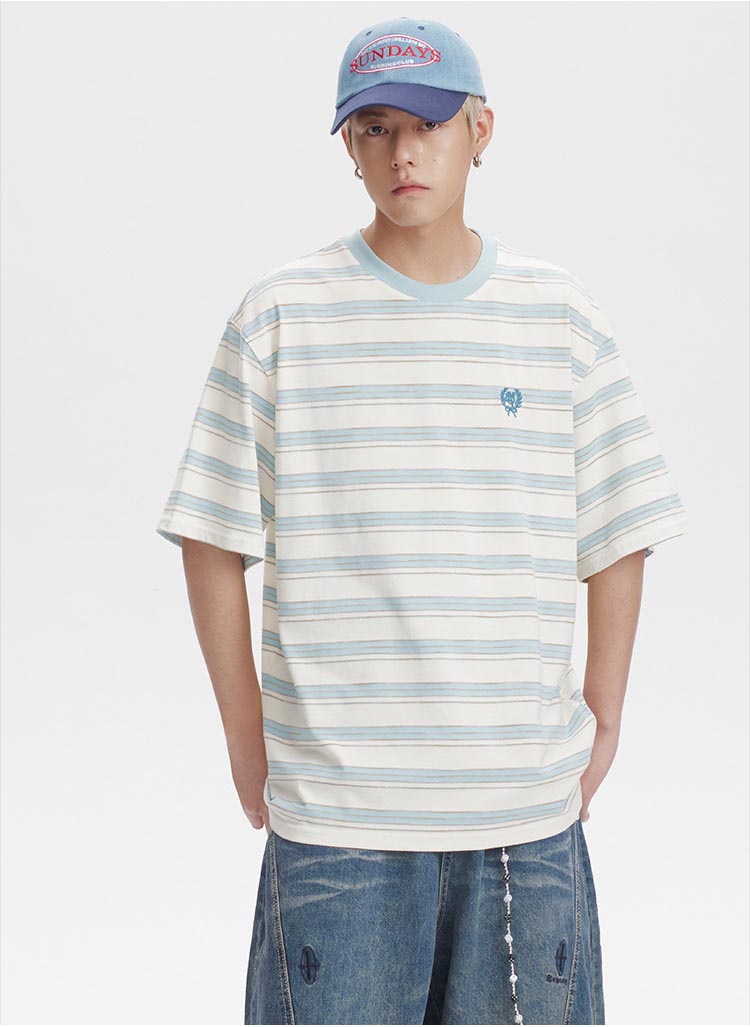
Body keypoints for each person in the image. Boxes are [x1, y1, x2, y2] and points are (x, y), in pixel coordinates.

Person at [155, 16, 689, 1026]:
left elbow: (620, 523)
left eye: (430, 124)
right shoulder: (280, 317)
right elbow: (211, 536)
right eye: (376, 128)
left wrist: (605, 711)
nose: (404, 152)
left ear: (481, 130)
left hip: (523, 820)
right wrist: (244, 739)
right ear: (348, 147)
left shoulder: (559, 317)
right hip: (339, 824)